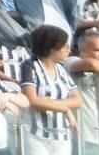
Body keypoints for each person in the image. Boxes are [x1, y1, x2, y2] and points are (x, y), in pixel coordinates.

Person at [20, 24, 81, 155]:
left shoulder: (61, 69)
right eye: (65, 46)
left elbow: (77, 100)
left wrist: (48, 102)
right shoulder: (30, 66)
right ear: (52, 48)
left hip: (61, 136)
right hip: (36, 135)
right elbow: (32, 100)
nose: (68, 50)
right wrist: (64, 108)